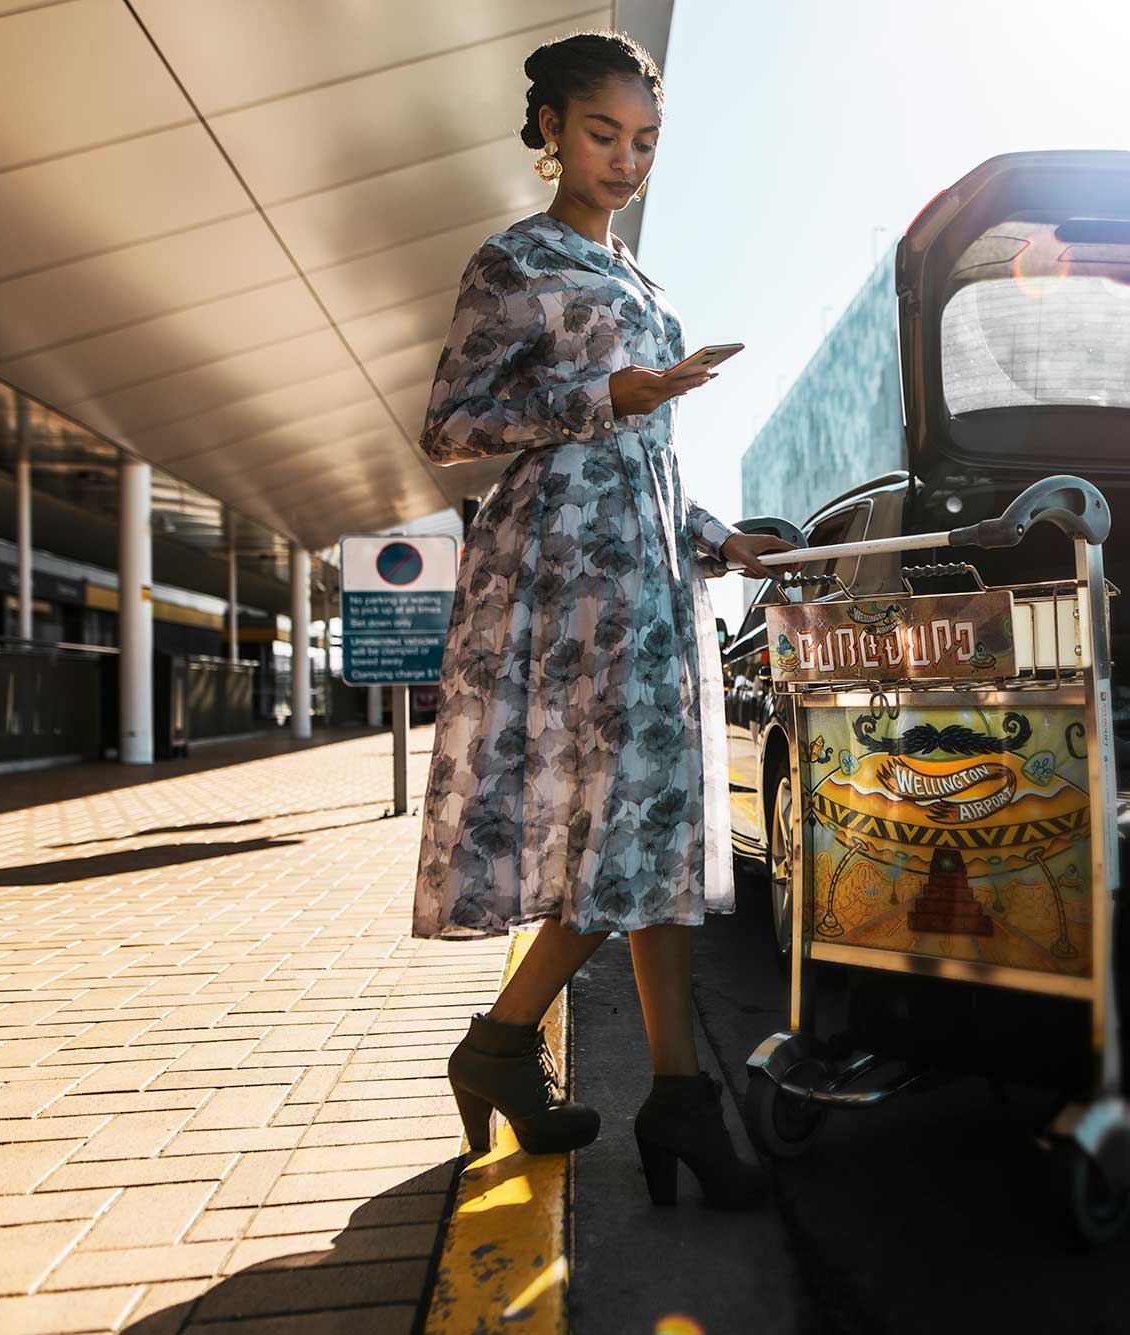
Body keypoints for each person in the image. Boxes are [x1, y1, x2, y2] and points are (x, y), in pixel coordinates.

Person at [410, 29, 794, 1210]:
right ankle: (580, 1068)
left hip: (648, 579)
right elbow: (450, 432)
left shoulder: (643, 284)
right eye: (600, 133)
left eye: (644, 140)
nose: (624, 160)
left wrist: (722, 539)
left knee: (660, 833)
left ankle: (643, 1085)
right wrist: (600, 394)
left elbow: (650, 461)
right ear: (547, 133)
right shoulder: (510, 263)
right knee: (630, 831)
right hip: (557, 587)